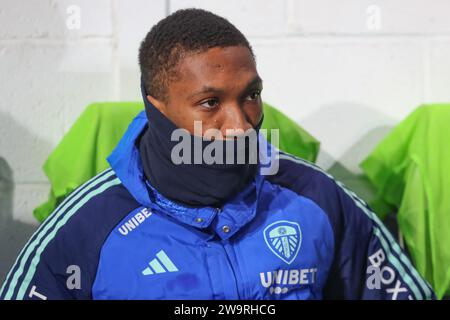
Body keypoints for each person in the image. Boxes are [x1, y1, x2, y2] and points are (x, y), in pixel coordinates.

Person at [0, 8, 435, 300]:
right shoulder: (85, 227)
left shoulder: (317, 198)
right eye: (210, 103)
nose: (241, 124)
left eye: (251, 95)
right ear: (157, 107)